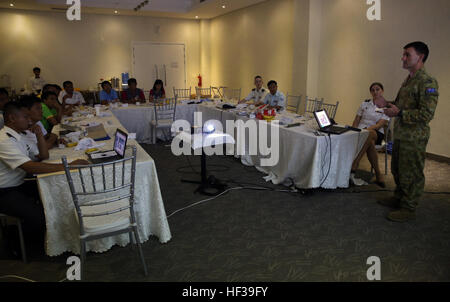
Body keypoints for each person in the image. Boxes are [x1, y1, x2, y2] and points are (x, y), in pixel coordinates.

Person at [0, 102, 88, 256]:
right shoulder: (4, 140)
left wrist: (39, 134)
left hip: (21, 183)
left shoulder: (20, 135)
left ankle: (58, 237)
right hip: (5, 191)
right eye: (25, 117)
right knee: (39, 215)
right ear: (12, 118)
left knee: (57, 194)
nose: (29, 120)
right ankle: (14, 245)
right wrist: (68, 167)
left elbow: (43, 156)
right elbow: (30, 167)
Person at [380, 41, 439, 222]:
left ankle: (409, 208)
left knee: (411, 172)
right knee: (397, 168)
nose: (403, 58)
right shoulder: (409, 80)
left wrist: (400, 113)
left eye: (407, 55)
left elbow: (427, 114)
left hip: (414, 137)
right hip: (401, 134)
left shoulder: (427, 82)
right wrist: (387, 104)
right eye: (403, 54)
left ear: (420, 57)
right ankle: (399, 197)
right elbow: (400, 106)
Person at [350, 82, 390, 187]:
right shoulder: (365, 104)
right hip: (362, 132)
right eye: (373, 90)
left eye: (378, 89)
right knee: (370, 143)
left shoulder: (386, 107)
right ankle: (378, 174)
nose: (375, 92)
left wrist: (365, 130)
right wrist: (353, 130)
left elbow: (379, 125)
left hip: (377, 134)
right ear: (370, 92)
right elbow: (356, 119)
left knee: (370, 133)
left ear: (382, 91)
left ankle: (355, 163)